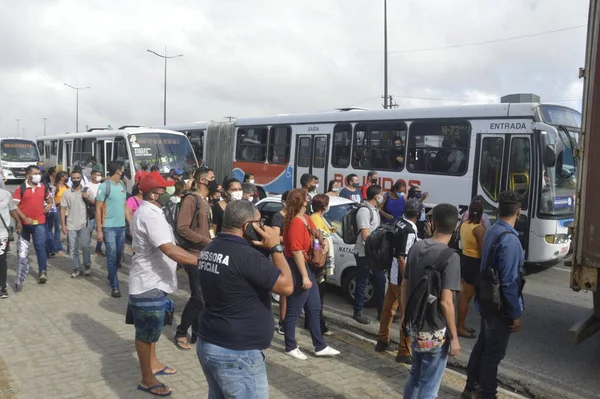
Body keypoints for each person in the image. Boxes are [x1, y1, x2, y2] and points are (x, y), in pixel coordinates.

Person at [196, 200, 294, 398]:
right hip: (237, 353)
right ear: (247, 226)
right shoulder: (246, 256)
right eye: (259, 223)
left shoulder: (210, 248)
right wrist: (275, 247)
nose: (262, 227)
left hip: (210, 342)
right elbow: (287, 287)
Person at [129, 171, 199, 398]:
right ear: (152, 195)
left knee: (153, 330)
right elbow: (168, 248)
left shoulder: (153, 211)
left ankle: (154, 364)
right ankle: (147, 379)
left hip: (154, 280)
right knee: (146, 332)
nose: (169, 193)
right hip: (149, 283)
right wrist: (201, 261)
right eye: (163, 190)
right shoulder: (150, 215)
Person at [463, 191, 525, 399]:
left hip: (486, 299)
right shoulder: (510, 241)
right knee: (493, 354)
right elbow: (508, 282)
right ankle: (487, 394)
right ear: (519, 212)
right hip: (499, 306)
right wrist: (515, 313)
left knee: (483, 345)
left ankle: (471, 387)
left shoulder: (490, 230)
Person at [401, 203, 462, 398]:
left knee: (415, 375)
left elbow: (404, 285)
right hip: (435, 331)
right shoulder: (451, 257)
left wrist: (404, 316)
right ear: (456, 227)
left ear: (432, 222)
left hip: (415, 324)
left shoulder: (417, 246)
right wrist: (454, 337)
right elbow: (446, 302)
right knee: (430, 386)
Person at [282, 189, 339, 360]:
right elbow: (296, 251)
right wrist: (304, 277)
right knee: (294, 309)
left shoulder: (306, 218)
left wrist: (324, 244)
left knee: (314, 308)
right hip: (299, 267)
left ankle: (319, 346)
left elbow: (318, 233)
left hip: (309, 267)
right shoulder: (295, 222)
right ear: (300, 202)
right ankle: (290, 346)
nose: (308, 201)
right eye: (305, 199)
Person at [375, 198, 421, 363]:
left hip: (392, 273)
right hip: (400, 276)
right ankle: (404, 351)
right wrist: (407, 279)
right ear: (418, 213)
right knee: (406, 314)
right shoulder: (408, 229)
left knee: (389, 308)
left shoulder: (399, 222)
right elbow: (403, 257)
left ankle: (382, 340)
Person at [174, 167, 215, 350]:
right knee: (197, 298)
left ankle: (198, 334)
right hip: (193, 255)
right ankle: (181, 332)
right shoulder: (191, 200)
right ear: (202, 181)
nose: (215, 181)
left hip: (207, 254)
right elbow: (182, 228)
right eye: (212, 178)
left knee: (205, 298)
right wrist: (205, 240)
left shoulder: (206, 200)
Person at [95, 162, 131, 298]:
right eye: (122, 170)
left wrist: (130, 223)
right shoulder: (104, 187)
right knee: (111, 255)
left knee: (118, 256)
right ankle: (115, 286)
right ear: (118, 171)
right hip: (108, 227)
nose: (123, 172)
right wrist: (99, 230)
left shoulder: (121, 185)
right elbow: (98, 209)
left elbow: (125, 206)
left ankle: (111, 275)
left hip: (121, 227)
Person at [13, 165, 53, 289]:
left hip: (39, 222)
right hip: (24, 225)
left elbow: (49, 198)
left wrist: (50, 204)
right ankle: (21, 274)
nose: (38, 176)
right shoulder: (20, 189)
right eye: (35, 173)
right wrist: (23, 218)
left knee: (40, 247)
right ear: (28, 176)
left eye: (39, 173)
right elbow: (14, 207)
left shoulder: (43, 187)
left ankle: (42, 272)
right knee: (23, 251)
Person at [352, 185, 384, 325]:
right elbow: (366, 235)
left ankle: (382, 311)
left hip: (374, 253)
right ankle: (358, 311)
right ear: (376, 196)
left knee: (381, 280)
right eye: (381, 194)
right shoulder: (364, 211)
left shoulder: (375, 210)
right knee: (362, 282)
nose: (383, 196)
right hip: (364, 253)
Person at [457, 200, 486, 339]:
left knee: (465, 296)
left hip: (465, 260)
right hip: (475, 263)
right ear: (481, 213)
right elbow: (482, 250)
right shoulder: (478, 229)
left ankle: (461, 325)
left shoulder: (464, 225)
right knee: (465, 297)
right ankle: (460, 327)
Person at [309, 194, 335, 336]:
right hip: (319, 264)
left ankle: (311, 322)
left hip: (321, 264)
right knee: (318, 297)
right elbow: (318, 242)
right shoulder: (315, 220)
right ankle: (320, 326)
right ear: (324, 206)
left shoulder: (318, 218)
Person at [60, 170, 92, 278]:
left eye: (78, 178)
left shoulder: (86, 191)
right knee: (73, 249)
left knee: (85, 246)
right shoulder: (67, 193)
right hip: (71, 224)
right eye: (74, 178)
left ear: (81, 179)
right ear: (71, 179)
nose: (76, 180)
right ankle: (77, 268)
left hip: (84, 224)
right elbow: (63, 209)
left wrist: (87, 197)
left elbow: (96, 203)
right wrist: (63, 225)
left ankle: (87, 265)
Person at [270, 191, 288, 335]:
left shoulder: (297, 216)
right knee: (284, 292)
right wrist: (290, 238)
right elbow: (275, 236)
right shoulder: (278, 216)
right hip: (283, 254)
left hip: (293, 253)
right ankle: (282, 321)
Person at [0, 186, 21, 298]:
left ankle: (2, 287)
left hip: (2, 235)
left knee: (1, 259)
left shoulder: (6, 194)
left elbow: (12, 209)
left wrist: (18, 221)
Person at [87, 169, 104, 257]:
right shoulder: (88, 185)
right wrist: (90, 200)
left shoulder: (102, 186)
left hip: (101, 210)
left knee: (100, 230)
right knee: (90, 229)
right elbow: (85, 197)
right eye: (97, 175)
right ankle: (87, 248)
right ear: (92, 175)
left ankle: (98, 249)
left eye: (100, 175)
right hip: (92, 210)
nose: (99, 177)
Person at [53, 171, 69, 255]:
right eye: (65, 176)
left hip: (67, 209)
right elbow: (52, 201)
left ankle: (70, 248)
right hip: (58, 209)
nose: (67, 178)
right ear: (61, 177)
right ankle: (58, 248)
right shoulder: (55, 187)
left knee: (69, 228)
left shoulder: (67, 186)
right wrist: (60, 202)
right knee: (58, 228)